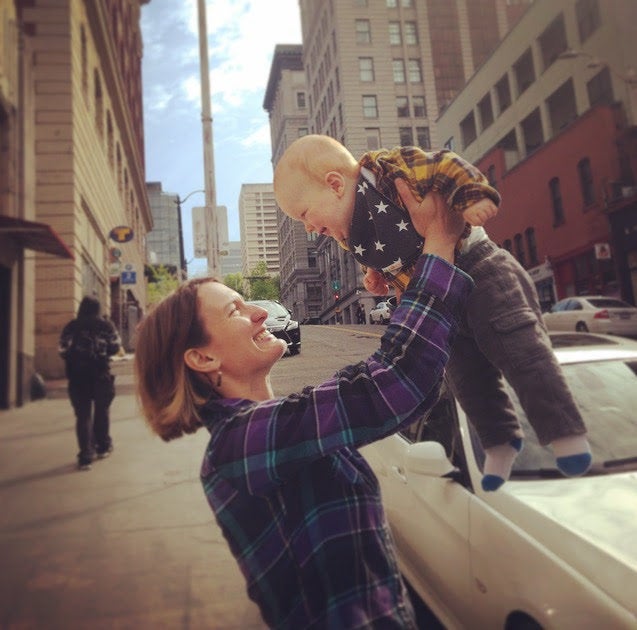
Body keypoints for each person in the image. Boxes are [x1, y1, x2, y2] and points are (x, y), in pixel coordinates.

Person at [134, 191, 472, 630]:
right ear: (202, 359)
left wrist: (407, 281)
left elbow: (412, 393)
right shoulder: (239, 443)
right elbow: (394, 381)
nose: (260, 313)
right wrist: (439, 246)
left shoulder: (274, 425)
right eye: (236, 310)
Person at [273, 134, 591, 491]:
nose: (309, 227)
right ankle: (499, 442)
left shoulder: (386, 172)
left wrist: (473, 197)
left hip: (477, 267)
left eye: (304, 215)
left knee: (519, 349)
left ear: (334, 185)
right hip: (441, 297)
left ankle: (565, 433)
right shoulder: (349, 232)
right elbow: (391, 254)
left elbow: (443, 165)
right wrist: (376, 276)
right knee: (465, 377)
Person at [59, 296, 121, 470]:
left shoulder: (71, 326)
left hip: (77, 378)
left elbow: (62, 349)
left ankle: (85, 456)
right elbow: (115, 346)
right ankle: (103, 447)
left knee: (83, 416)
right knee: (102, 411)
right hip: (101, 375)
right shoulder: (105, 326)